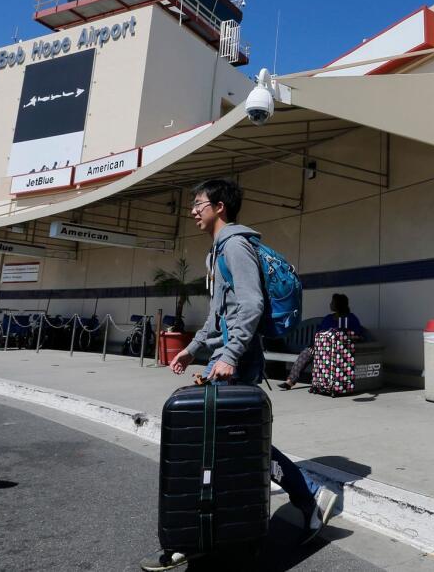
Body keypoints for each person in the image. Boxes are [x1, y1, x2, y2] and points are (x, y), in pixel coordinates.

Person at [140, 178, 339, 572]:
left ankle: (307, 497)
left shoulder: (234, 246)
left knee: (235, 443)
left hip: (238, 361)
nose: (193, 210)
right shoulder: (217, 251)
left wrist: (228, 355)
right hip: (225, 358)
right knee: (225, 444)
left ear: (219, 207)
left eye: (199, 203)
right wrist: (194, 349)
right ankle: (199, 531)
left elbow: (251, 305)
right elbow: (220, 316)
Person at [278, 294, 363, 390]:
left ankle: (327, 384)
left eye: (332, 302)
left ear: (339, 304)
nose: (330, 304)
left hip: (340, 350)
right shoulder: (328, 318)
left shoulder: (350, 318)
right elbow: (318, 334)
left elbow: (357, 335)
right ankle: (290, 381)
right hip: (322, 348)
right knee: (306, 353)